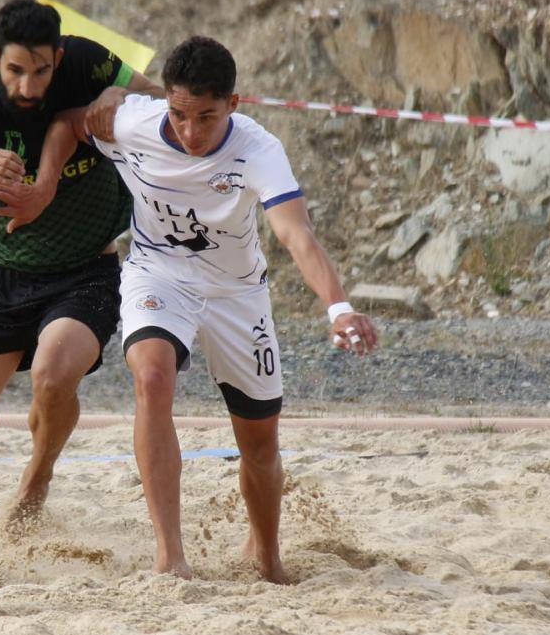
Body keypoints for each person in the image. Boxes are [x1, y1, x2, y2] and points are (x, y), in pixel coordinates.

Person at [34, 36, 378, 582]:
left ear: (233, 106)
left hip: (237, 293)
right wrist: (46, 181)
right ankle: (170, 556)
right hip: (158, 274)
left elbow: (296, 235)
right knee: (151, 377)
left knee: (259, 442)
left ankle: (267, 557)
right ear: (165, 100)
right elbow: (66, 125)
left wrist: (339, 308)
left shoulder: (258, 149)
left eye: (206, 118)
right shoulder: (135, 122)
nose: (191, 132)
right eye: (180, 114)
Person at [0, 0, 163, 539]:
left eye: (41, 70)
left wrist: (118, 93)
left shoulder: (85, 61)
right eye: (15, 70)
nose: (29, 86)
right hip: (5, 273)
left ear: (58, 57)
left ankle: (36, 480)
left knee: (54, 376)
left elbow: (160, 97)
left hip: (87, 269)